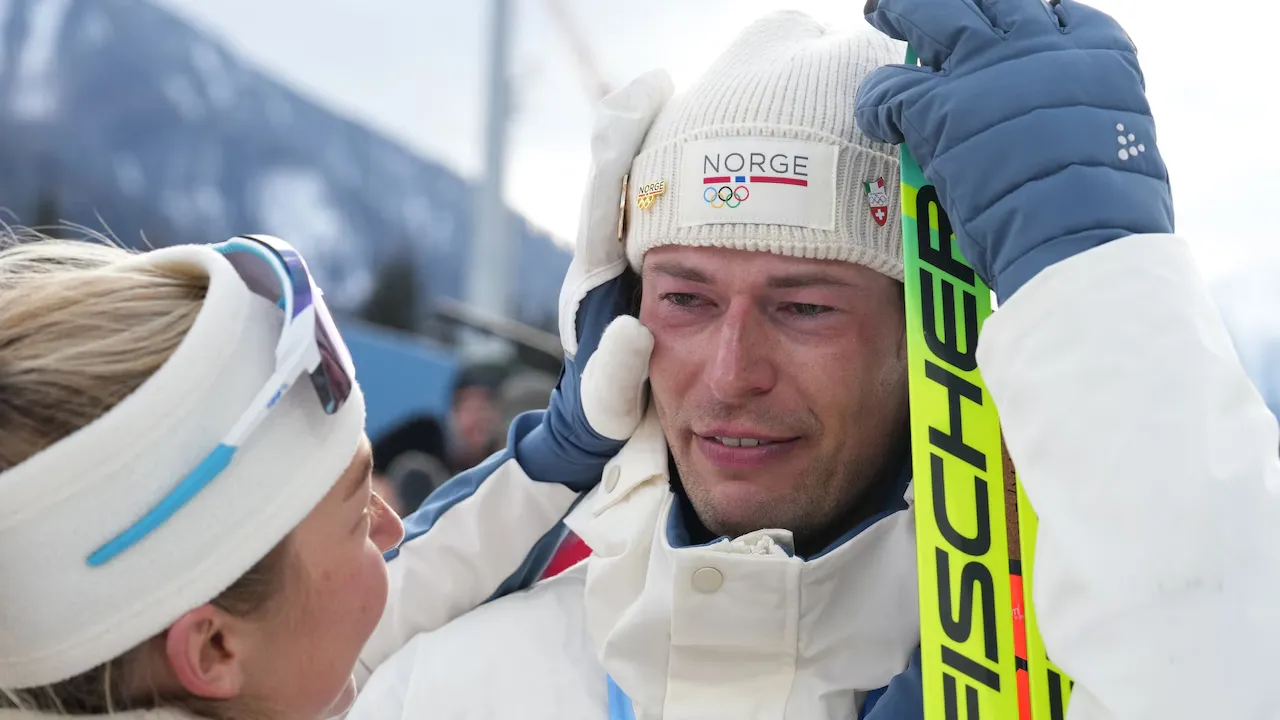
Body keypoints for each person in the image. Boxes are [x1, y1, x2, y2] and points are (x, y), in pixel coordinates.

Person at [350, 5, 1280, 720]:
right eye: (685, 298)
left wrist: (1103, 293)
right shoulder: (454, 681)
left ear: (926, 340)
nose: (730, 372)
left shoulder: (1080, 670)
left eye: (804, 308)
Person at [0, 227, 646, 718]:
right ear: (213, 650)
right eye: (358, 515)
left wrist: (552, 460)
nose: (395, 532)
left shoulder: (247, 672)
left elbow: (357, 616)